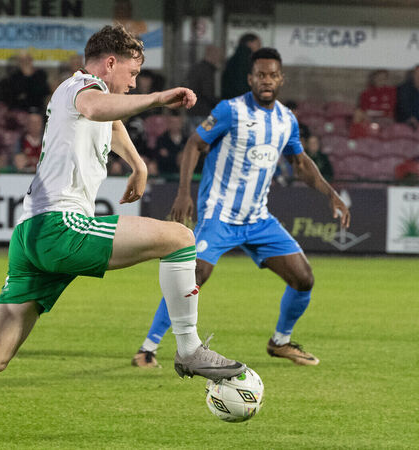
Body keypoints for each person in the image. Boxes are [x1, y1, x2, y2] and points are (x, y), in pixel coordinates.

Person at [0, 25, 247, 444]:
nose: (135, 82)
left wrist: (137, 163)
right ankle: (189, 347)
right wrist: (156, 99)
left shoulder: (84, 96)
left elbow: (109, 119)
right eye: (133, 73)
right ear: (110, 63)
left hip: (30, 234)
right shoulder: (81, 86)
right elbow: (101, 107)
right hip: (59, 227)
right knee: (179, 238)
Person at [132, 48, 350, 369]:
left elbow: (300, 163)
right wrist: (183, 192)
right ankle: (148, 349)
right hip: (219, 215)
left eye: (272, 75)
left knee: (304, 278)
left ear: (280, 79)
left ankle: (280, 342)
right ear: (250, 79)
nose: (266, 80)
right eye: (260, 75)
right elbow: (195, 144)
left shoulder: (286, 120)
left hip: (257, 218)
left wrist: (331, 193)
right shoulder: (229, 111)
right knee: (193, 277)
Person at [186, 45, 223, 131]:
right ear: (213, 55)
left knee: (195, 139)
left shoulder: (196, 68)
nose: (219, 59)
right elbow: (207, 93)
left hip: (193, 111)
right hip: (204, 112)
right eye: (219, 55)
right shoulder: (207, 71)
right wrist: (221, 103)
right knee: (205, 138)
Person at [221, 33, 261, 100]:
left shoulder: (234, 59)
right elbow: (243, 84)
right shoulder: (246, 60)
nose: (260, 47)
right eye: (258, 44)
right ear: (249, 43)